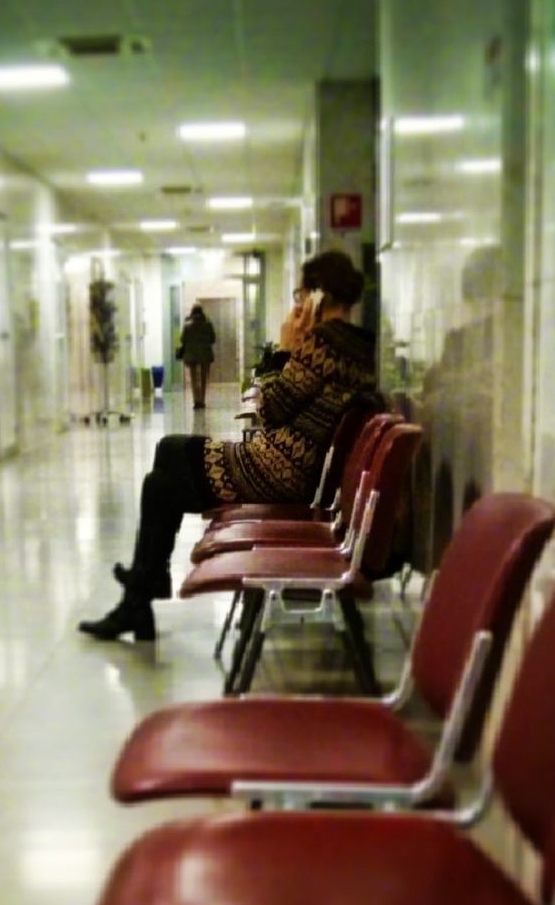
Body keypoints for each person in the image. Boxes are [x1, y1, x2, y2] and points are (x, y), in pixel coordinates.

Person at [80, 249, 378, 642]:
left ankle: (141, 592)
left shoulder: (323, 343)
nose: (298, 303)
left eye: (300, 294)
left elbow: (272, 409)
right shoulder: (358, 346)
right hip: (298, 466)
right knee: (162, 479)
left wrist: (287, 348)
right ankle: (140, 593)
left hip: (283, 470)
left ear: (317, 296)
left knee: (168, 457)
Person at [178, 304, 216, 409]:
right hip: (205, 354)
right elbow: (213, 339)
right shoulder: (208, 324)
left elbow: (182, 340)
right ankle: (202, 400)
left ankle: (196, 401)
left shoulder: (187, 325)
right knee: (203, 378)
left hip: (191, 355)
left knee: (194, 379)